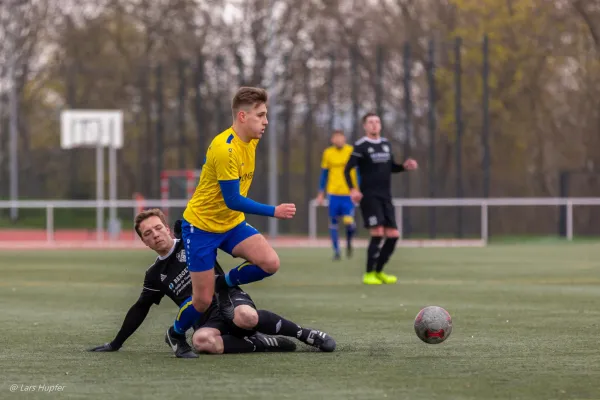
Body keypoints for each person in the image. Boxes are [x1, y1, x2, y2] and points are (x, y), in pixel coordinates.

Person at [88, 210, 335, 357]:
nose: (155, 235)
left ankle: (306, 334)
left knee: (246, 317)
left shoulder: (191, 240)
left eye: (157, 228)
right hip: (203, 319)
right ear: (144, 242)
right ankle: (259, 342)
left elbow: (197, 213)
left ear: (167, 228)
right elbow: (140, 308)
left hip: (227, 298)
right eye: (147, 234)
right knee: (201, 342)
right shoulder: (154, 274)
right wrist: (115, 343)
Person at [168, 87, 297, 347]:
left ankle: (223, 283)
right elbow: (233, 200)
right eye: (260, 116)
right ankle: (176, 333)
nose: (266, 122)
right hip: (201, 228)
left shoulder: (252, 140)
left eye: (266, 115)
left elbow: (232, 207)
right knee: (202, 301)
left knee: (270, 263)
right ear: (241, 116)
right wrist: (275, 211)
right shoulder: (225, 149)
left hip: (231, 223)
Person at [343, 112, 418, 285]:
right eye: (370, 122)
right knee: (377, 233)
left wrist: (404, 167)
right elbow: (347, 169)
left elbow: (391, 167)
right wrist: (353, 189)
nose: (374, 125)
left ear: (381, 125)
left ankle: (379, 271)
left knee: (393, 235)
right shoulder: (361, 146)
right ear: (365, 126)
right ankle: (368, 273)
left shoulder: (385, 144)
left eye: (377, 121)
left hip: (386, 196)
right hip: (369, 196)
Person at [316, 130, 359, 260]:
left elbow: (358, 172)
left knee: (348, 222)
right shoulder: (328, 153)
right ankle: (336, 251)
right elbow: (324, 174)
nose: (339, 140)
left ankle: (349, 242)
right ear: (332, 140)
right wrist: (320, 193)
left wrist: (357, 189)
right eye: (336, 138)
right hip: (333, 193)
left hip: (348, 193)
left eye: (341, 137)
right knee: (333, 222)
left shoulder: (351, 151)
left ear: (344, 138)